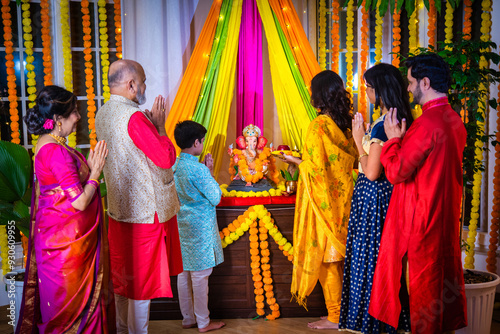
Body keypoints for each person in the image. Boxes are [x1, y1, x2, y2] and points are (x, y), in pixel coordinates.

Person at [369, 54, 468, 333]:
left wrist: (394, 140)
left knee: (423, 294)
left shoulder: (426, 125)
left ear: (425, 83)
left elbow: (397, 172)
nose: (409, 88)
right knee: (439, 291)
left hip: (422, 220)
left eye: (412, 82)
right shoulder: (454, 120)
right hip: (444, 218)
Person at [95, 59, 183, 334]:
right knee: (141, 284)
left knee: (123, 279)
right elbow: (165, 158)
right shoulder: (133, 117)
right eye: (143, 81)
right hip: (145, 213)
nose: (145, 86)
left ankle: (122, 329)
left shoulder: (103, 113)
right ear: (131, 84)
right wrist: (159, 127)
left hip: (119, 210)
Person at [17, 85, 114, 333]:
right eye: (74, 112)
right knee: (69, 316)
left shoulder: (48, 143)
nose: (78, 117)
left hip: (58, 242)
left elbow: (60, 187)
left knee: (61, 312)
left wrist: (88, 168)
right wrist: (95, 173)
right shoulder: (56, 151)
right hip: (66, 250)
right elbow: (80, 202)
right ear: (58, 119)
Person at [339, 63, 413, 333]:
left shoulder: (386, 124)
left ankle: (370, 321)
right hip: (377, 200)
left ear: (380, 90)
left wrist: (360, 140)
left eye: (368, 88)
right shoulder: (390, 119)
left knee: (370, 258)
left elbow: (371, 172)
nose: (367, 93)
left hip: (374, 199)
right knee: (373, 257)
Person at [281, 70, 358, 330]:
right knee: (341, 262)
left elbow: (316, 170)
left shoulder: (318, 126)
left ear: (318, 95)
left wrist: (295, 161)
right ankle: (344, 314)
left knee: (328, 263)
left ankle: (335, 316)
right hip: (345, 201)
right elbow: (345, 163)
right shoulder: (344, 124)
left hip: (324, 204)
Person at [173, 120, 226, 333]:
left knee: (183, 274)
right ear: (196, 142)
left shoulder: (173, 165)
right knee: (200, 276)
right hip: (200, 229)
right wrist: (209, 172)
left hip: (181, 226)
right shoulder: (198, 169)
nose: (202, 144)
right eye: (202, 140)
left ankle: (188, 319)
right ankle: (203, 322)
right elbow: (216, 197)